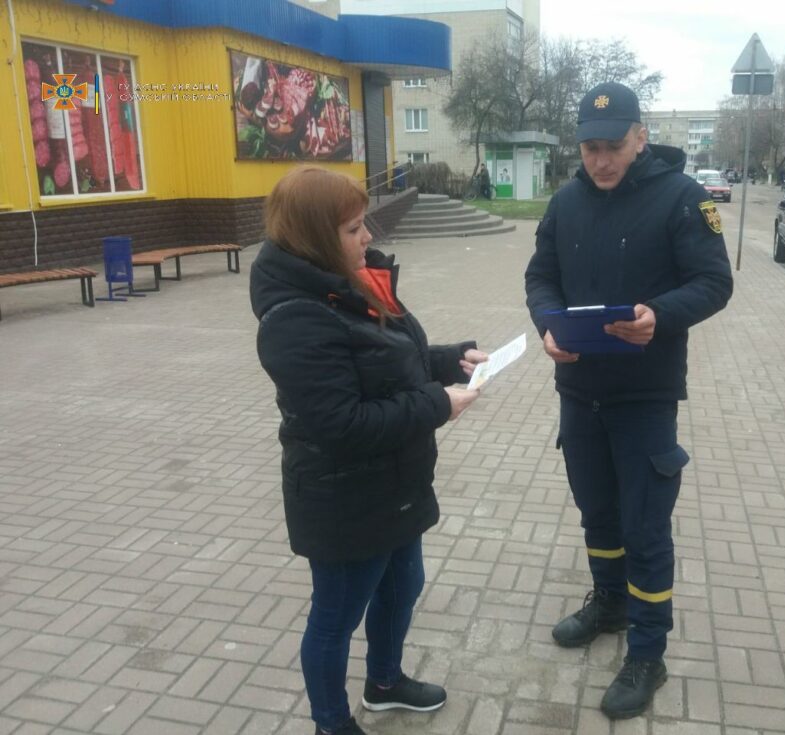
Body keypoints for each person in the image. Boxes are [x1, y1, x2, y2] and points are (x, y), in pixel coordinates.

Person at [250, 166, 487, 735]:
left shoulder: (349, 282)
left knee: (403, 586)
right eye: (354, 228)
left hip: (395, 481)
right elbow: (342, 423)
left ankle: (383, 683)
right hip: (343, 497)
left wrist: (450, 360)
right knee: (336, 617)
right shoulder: (294, 319)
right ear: (314, 236)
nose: (368, 237)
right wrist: (437, 404)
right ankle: (331, 723)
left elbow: (386, 358)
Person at [524, 82, 733, 721]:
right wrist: (548, 324)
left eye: (612, 146)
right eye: (590, 148)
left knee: (645, 528)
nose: (601, 160)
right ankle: (610, 603)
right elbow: (540, 276)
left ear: (640, 137)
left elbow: (714, 282)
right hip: (579, 392)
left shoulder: (682, 198)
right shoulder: (566, 202)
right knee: (598, 514)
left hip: (645, 395)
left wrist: (659, 316)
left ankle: (647, 651)